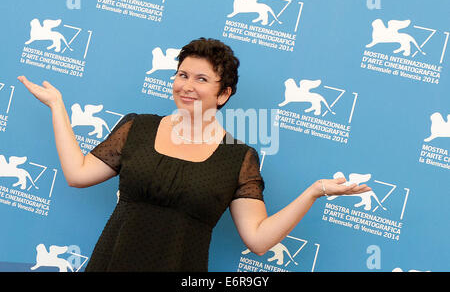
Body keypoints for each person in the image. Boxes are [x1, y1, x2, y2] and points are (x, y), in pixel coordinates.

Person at [17, 38, 371, 271]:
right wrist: (57, 106)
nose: (186, 85)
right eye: (182, 74)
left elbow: (259, 239)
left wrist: (314, 192)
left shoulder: (237, 157)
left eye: (201, 79)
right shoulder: (137, 127)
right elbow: (78, 174)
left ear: (223, 93)